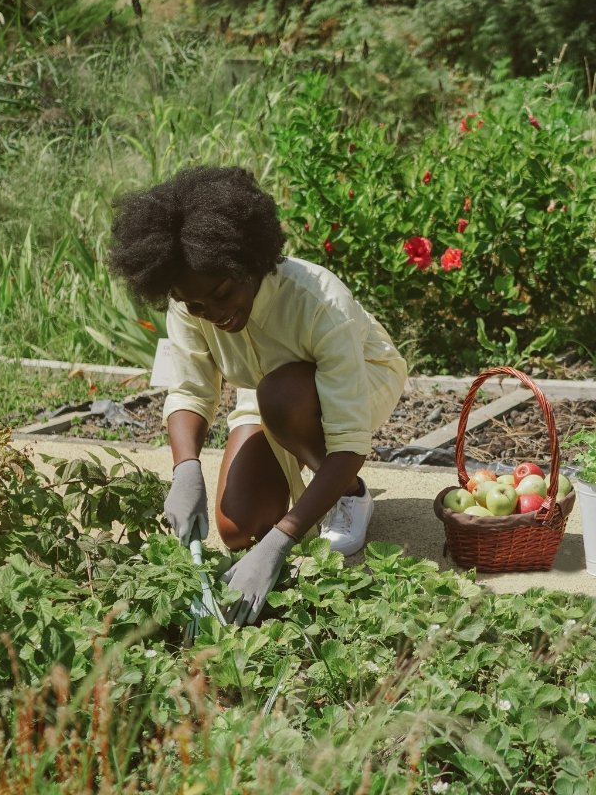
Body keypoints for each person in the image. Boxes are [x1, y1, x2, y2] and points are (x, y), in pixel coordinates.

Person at [108, 166, 408, 626]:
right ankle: (304, 479)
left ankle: (349, 495)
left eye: (223, 294)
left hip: (360, 379)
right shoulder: (191, 300)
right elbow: (189, 389)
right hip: (266, 391)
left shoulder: (319, 301)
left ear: (248, 262)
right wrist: (186, 470)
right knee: (237, 528)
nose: (215, 314)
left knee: (282, 396)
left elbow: (349, 440)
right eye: (198, 306)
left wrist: (282, 542)